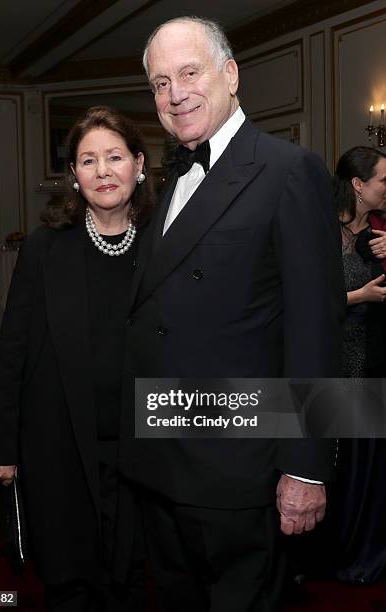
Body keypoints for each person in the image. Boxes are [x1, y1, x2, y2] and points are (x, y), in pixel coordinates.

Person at [119, 16, 346, 612]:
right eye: (160, 83)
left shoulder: (289, 170)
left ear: (230, 73)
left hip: (239, 468)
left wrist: (307, 468)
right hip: (161, 457)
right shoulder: (170, 181)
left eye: (189, 73)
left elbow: (316, 331)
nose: (175, 95)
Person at [0, 105, 154, 611]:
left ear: (139, 165)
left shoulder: (165, 244)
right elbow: (12, 346)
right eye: (88, 160)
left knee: (133, 575)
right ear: (74, 176)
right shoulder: (44, 249)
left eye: (115, 157)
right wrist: (2, 443)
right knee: (69, 577)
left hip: (141, 441)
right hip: (58, 440)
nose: (103, 171)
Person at [331, 146, 386, 583]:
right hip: (335, 364)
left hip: (373, 362)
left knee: (369, 468)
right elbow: (303, 301)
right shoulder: (323, 230)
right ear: (358, 185)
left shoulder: (380, 232)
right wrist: (359, 297)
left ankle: (366, 553)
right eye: (383, 179)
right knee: (340, 467)